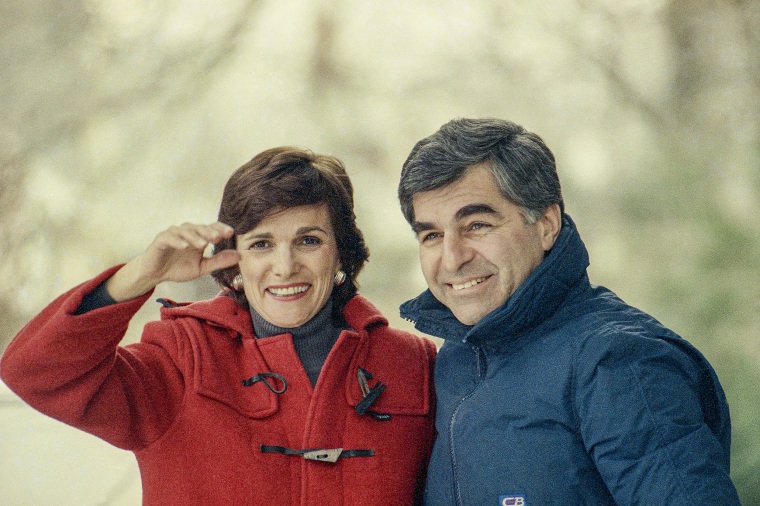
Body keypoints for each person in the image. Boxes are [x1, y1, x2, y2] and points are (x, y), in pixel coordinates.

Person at [1, 147, 436, 505]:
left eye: (308, 240)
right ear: (235, 259)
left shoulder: (413, 365)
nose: (284, 267)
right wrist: (139, 276)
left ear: (341, 251)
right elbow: (36, 373)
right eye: (261, 244)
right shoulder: (180, 358)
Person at [397, 118, 740, 505]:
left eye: (477, 224)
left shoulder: (618, 363)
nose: (453, 258)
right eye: (432, 235)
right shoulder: (457, 358)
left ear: (546, 225)